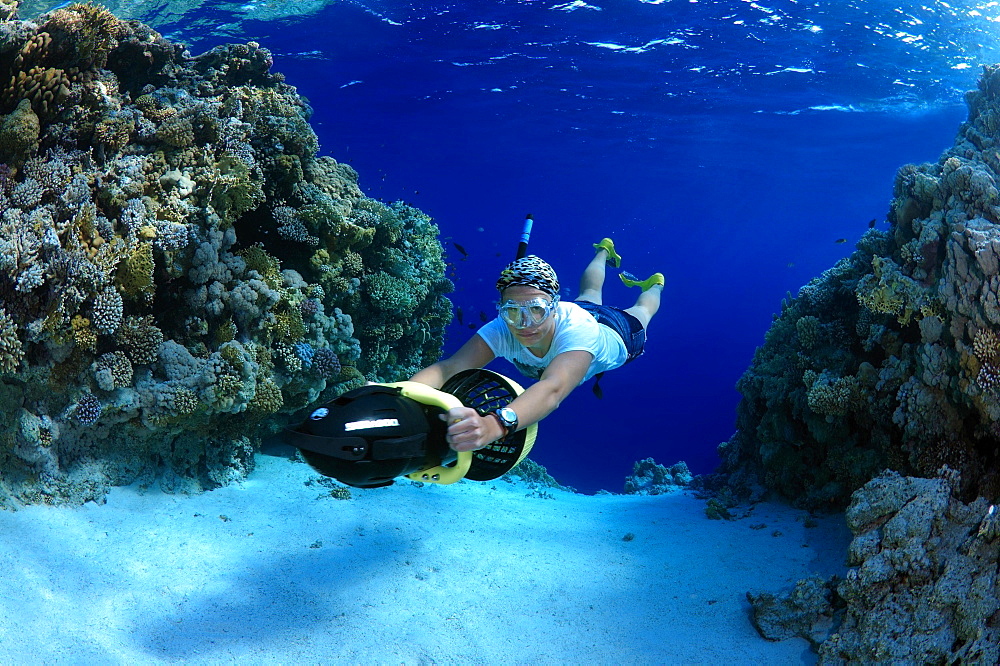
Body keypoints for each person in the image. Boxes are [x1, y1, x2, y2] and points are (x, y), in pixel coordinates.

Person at [409, 238, 663, 452]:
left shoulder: (577, 329)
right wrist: (399, 391)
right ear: (501, 310)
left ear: (554, 307)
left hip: (617, 331)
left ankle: (655, 285)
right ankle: (604, 250)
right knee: (590, 292)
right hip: (579, 310)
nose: (524, 324)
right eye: (512, 311)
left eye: (536, 310)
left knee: (642, 310)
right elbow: (449, 368)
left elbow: (553, 389)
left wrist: (494, 425)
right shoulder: (503, 327)